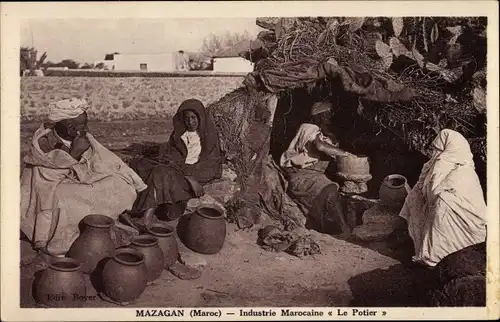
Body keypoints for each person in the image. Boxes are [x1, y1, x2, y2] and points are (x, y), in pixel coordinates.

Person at [20, 98, 147, 257]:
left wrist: (135, 181)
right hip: (52, 189)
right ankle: (64, 242)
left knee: (119, 183)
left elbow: (107, 159)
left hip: (81, 181)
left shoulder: (83, 136)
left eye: (85, 124)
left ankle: (104, 226)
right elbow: (46, 178)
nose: (86, 128)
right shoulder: (44, 143)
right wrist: (74, 153)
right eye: (82, 125)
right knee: (64, 198)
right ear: (69, 127)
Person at [121, 99, 223, 229]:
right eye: (187, 119)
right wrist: (186, 175)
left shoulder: (209, 137)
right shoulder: (180, 135)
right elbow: (170, 156)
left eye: (193, 118)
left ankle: (146, 217)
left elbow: (211, 166)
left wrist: (191, 177)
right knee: (139, 164)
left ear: (200, 117)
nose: (190, 122)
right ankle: (132, 205)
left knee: (160, 172)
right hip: (180, 172)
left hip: (196, 174)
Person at [399, 129, 487, 267]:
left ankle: (438, 257)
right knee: (421, 200)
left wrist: (437, 196)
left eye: (439, 149)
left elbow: (443, 191)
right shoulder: (439, 163)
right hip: (436, 203)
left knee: (443, 206)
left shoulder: (461, 169)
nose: (435, 153)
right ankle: (429, 253)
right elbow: (426, 184)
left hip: (461, 214)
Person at [280, 101, 353, 238]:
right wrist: (345, 154)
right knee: (330, 189)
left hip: (314, 175)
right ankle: (345, 230)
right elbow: (320, 146)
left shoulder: (323, 134)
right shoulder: (308, 127)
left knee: (338, 192)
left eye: (330, 114)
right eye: (326, 114)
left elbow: (327, 149)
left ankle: (333, 227)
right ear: (318, 116)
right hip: (301, 175)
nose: (329, 117)